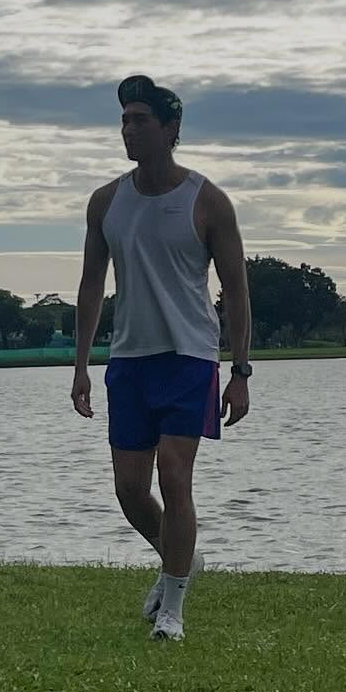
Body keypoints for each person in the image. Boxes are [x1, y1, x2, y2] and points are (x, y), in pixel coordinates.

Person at [71, 74, 253, 640]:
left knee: (175, 477)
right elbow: (90, 286)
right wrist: (80, 366)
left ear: (171, 129)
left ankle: (172, 610)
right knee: (130, 487)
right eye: (124, 119)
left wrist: (241, 370)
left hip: (190, 356)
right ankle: (180, 557)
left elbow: (238, 289)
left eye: (141, 119)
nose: (129, 129)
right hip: (129, 360)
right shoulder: (106, 202)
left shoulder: (207, 200)